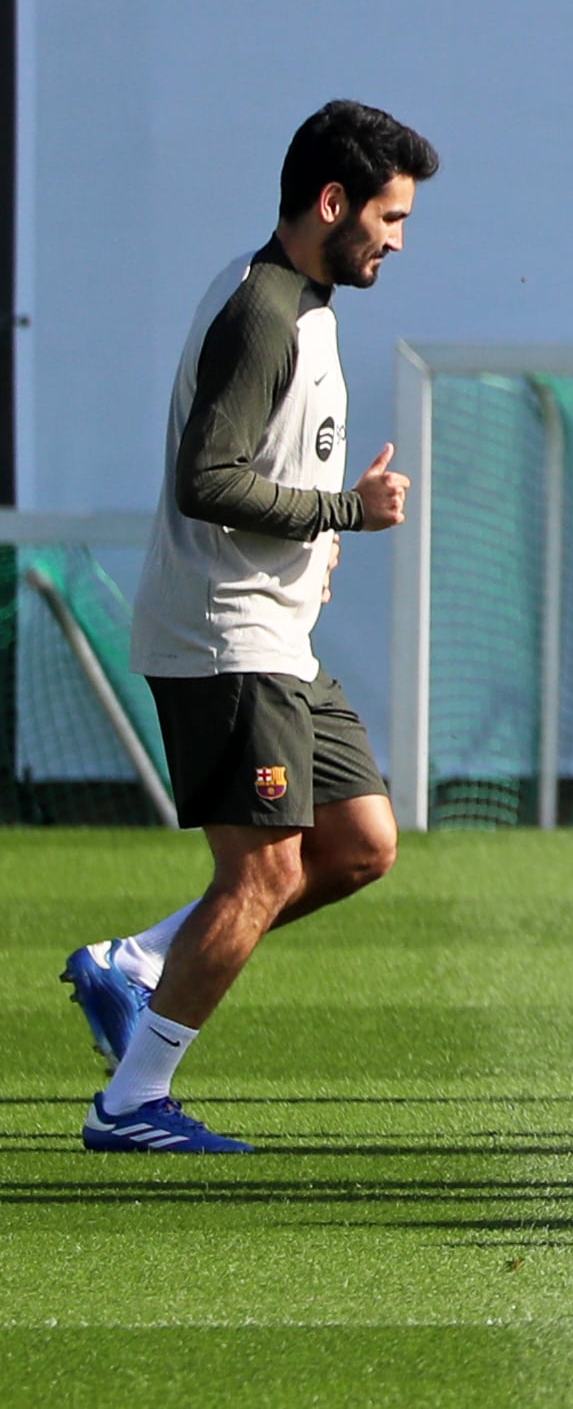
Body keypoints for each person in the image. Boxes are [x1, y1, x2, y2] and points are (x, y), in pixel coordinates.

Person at [65, 102, 440, 1153]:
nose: (398, 240)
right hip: (225, 640)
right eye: (390, 217)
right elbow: (206, 481)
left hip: (277, 637)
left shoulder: (305, 303)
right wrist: (342, 515)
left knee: (361, 844)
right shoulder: (262, 312)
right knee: (264, 871)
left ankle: (137, 962)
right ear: (332, 203)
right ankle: (131, 1103)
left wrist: (323, 532)